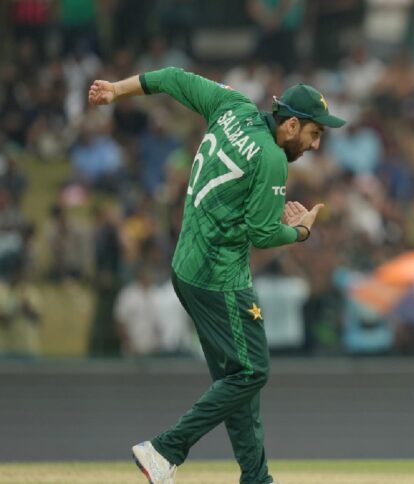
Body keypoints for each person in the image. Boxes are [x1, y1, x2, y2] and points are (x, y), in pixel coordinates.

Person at [89, 67, 346, 484]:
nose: (315, 145)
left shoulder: (233, 106)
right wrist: (300, 231)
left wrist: (117, 89)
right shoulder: (272, 158)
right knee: (253, 371)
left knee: (236, 380)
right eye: (314, 133)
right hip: (219, 279)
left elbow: (172, 77)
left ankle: (256, 479)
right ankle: (165, 449)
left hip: (186, 267)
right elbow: (262, 233)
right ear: (291, 125)